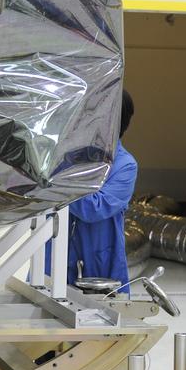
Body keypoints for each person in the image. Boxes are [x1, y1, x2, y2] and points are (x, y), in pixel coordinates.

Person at [66, 90, 138, 286]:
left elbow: (93, 209)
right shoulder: (71, 156)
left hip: (99, 265)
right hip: (54, 260)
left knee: (100, 313)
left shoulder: (125, 165)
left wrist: (59, 184)